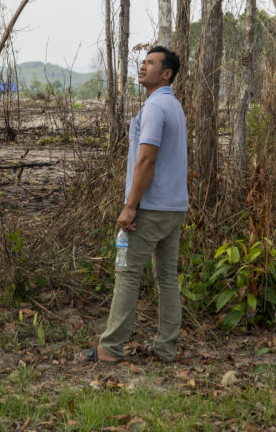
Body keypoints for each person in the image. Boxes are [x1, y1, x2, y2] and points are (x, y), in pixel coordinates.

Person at [82, 45, 188, 364]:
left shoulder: (155, 109)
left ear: (166, 74)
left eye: (151, 63)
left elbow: (146, 159)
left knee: (126, 272)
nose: (143, 67)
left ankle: (111, 348)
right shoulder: (174, 107)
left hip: (151, 208)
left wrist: (130, 206)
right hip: (174, 208)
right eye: (143, 62)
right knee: (167, 277)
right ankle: (166, 347)